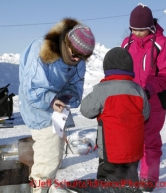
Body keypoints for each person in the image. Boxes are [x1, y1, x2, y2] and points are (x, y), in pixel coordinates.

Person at [18, 18, 95, 193]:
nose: (77, 59)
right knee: (48, 157)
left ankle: (46, 186)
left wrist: (67, 98)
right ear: (67, 42)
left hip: (59, 109)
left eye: (81, 57)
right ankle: (39, 189)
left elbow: (76, 85)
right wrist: (52, 99)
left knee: (56, 154)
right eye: (74, 54)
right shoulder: (42, 51)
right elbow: (30, 88)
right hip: (38, 107)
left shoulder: (79, 58)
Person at [121, 3, 166, 192]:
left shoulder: (163, 44)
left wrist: (150, 89)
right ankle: (129, 173)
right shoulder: (126, 44)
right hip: (131, 100)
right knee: (129, 138)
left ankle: (148, 176)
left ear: (150, 26)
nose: (137, 33)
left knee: (149, 140)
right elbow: (120, 70)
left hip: (155, 100)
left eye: (141, 30)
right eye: (133, 29)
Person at [79, 47, 150, 193]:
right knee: (130, 181)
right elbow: (146, 114)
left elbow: (86, 110)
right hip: (133, 152)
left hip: (111, 153)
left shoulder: (103, 89)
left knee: (108, 184)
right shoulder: (138, 89)